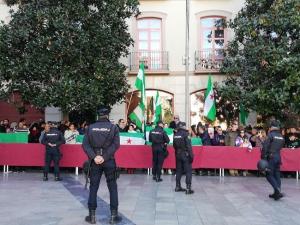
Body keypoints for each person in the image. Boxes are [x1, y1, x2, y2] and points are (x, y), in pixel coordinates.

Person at [82, 106, 121, 224]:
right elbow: (116, 145)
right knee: (112, 187)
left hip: (95, 161)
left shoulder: (90, 128)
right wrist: (104, 157)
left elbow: (85, 145)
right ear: (107, 115)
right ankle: (113, 216)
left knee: (93, 187)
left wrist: (95, 157)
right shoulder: (113, 128)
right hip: (109, 160)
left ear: (98, 115)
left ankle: (92, 216)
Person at [261, 120, 285, 200]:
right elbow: (281, 147)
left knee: (269, 175)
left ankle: (277, 190)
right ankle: (277, 193)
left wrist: (263, 158)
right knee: (277, 174)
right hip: (278, 157)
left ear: (271, 127)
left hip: (271, 157)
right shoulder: (281, 136)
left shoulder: (270, 135)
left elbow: (265, 147)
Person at [173, 122, 194, 194]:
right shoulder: (186, 134)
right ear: (184, 127)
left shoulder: (175, 135)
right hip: (185, 155)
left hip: (178, 154)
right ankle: (188, 188)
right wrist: (191, 156)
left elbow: (174, 146)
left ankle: (177, 186)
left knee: (178, 171)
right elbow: (189, 146)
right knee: (188, 171)